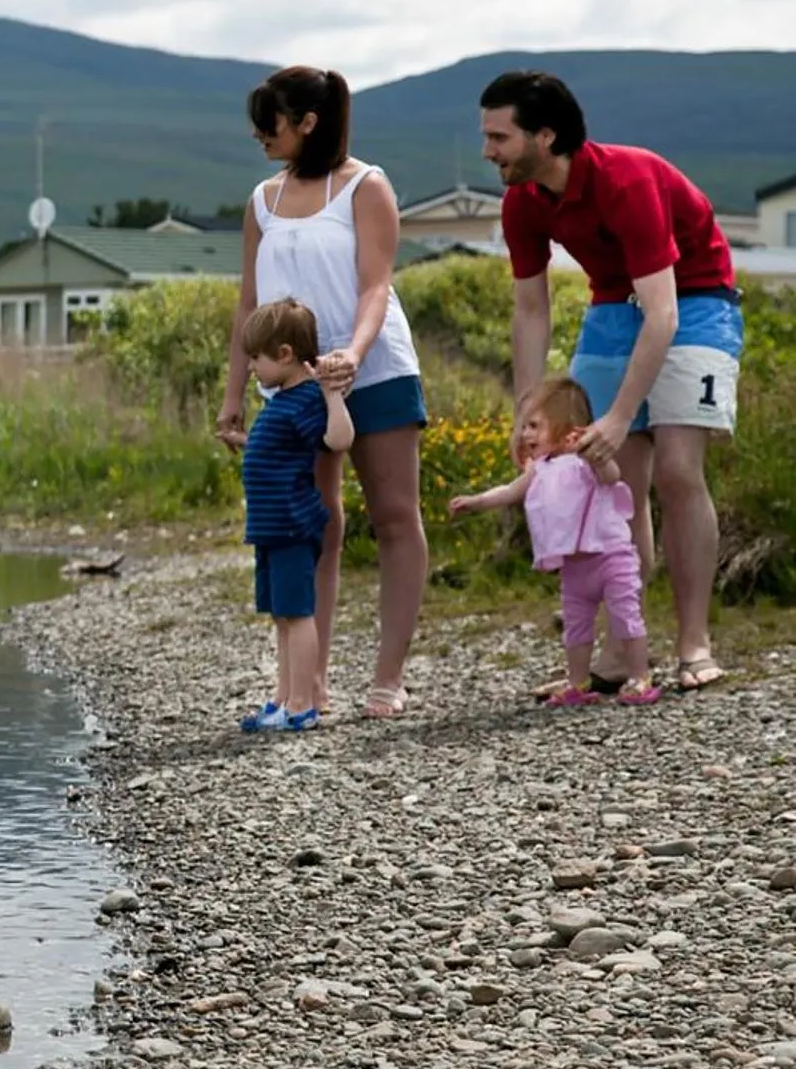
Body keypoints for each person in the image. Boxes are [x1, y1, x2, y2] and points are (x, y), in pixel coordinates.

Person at [481, 70, 741, 694]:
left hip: (697, 300)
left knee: (678, 470)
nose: (488, 151)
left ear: (546, 136)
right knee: (613, 474)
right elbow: (531, 309)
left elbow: (665, 313)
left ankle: (694, 641)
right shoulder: (522, 200)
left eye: (499, 137)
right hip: (610, 310)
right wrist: (528, 408)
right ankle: (628, 651)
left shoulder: (627, 179)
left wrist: (622, 413)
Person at [219, 66, 428, 720]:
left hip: (374, 365)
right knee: (316, 524)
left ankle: (386, 679)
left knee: (394, 515)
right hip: (293, 384)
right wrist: (232, 395)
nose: (258, 134)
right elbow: (249, 304)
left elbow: (375, 285)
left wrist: (352, 354)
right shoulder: (262, 200)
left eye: (269, 121)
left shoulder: (365, 186)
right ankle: (308, 687)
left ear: (307, 122)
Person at [449, 377, 662, 707]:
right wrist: (477, 501)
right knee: (576, 626)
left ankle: (638, 676)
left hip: (610, 556)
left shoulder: (585, 462)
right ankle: (578, 682)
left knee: (626, 615)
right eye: (524, 427)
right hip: (574, 565)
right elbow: (509, 492)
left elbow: (612, 476)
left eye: (534, 426)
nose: (525, 435)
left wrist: (595, 454)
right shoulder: (541, 468)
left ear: (567, 427)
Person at [236, 298, 355, 733]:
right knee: (282, 615)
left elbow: (338, 440)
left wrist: (332, 394)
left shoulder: (306, 397)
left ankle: (303, 703)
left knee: (298, 612)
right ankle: (283, 697)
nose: (251, 368)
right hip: (270, 528)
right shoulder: (282, 398)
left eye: (256, 358)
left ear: (285, 355)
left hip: (290, 523)